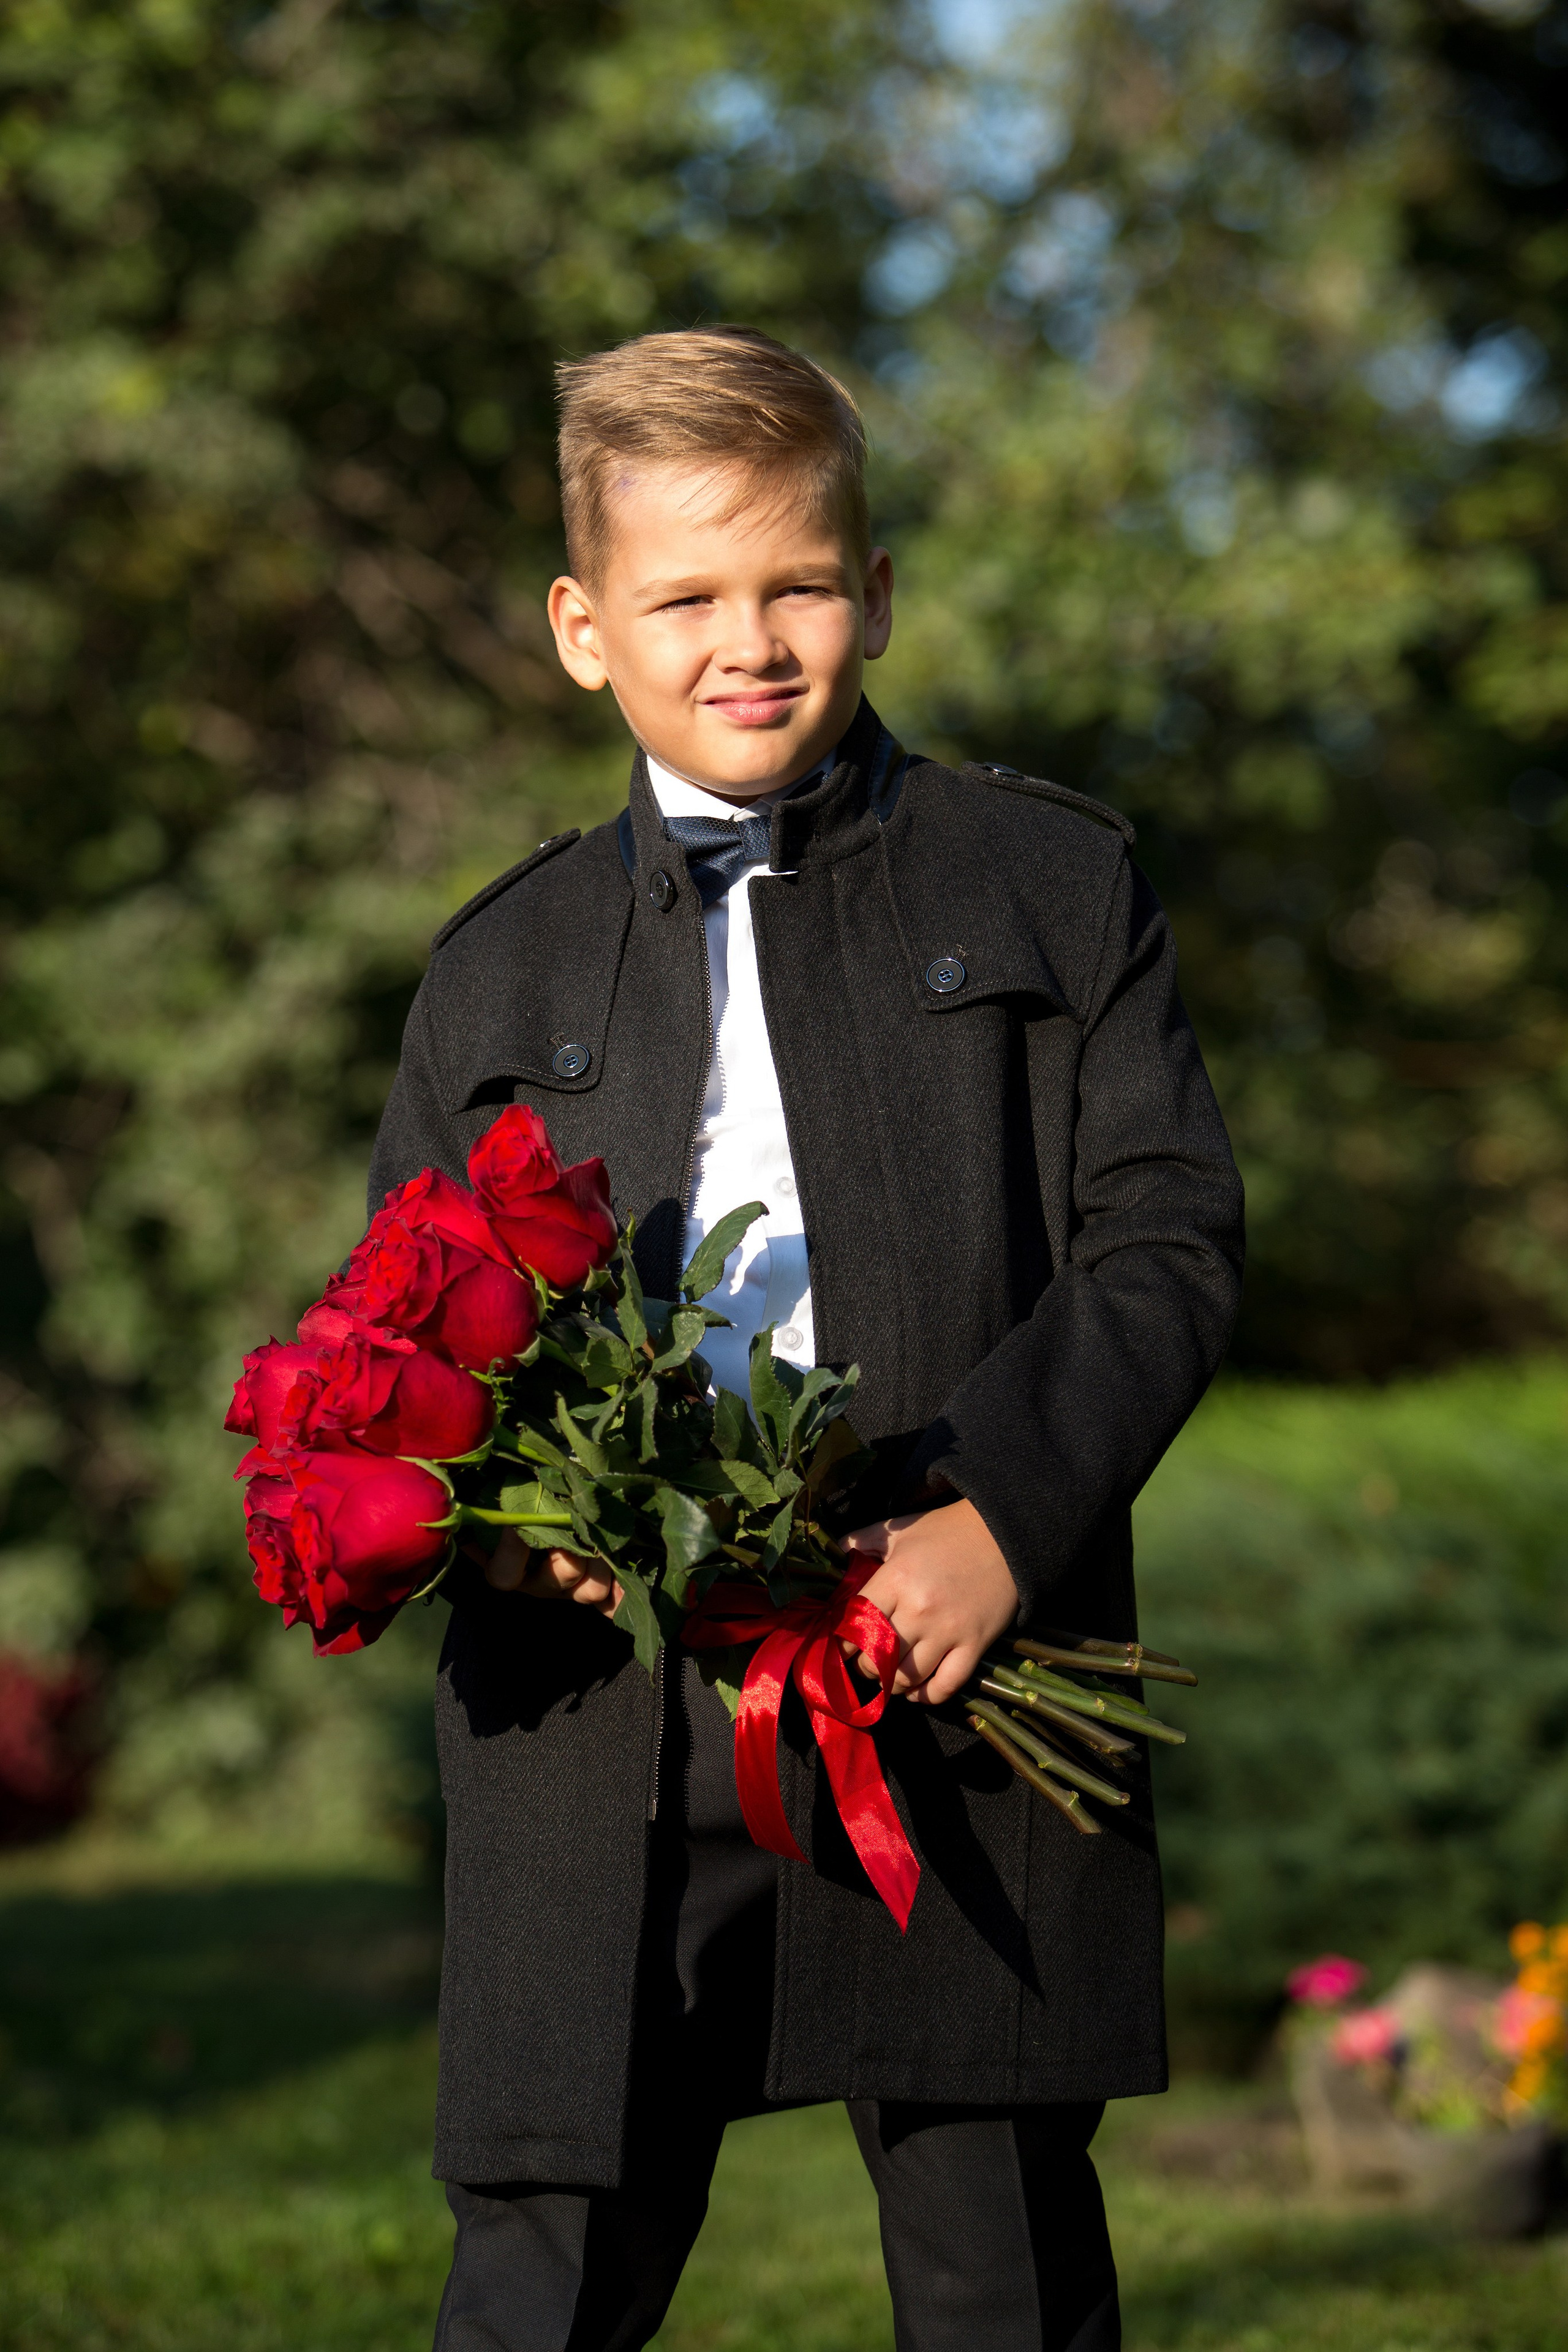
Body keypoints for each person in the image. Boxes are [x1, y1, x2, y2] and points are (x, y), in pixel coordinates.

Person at [368, 326, 1245, 2352]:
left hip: (947, 1646)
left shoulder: (1053, 883)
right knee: (541, 2263)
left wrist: (1001, 1522)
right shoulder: (493, 965)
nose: (749, 640)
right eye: (686, 596)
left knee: (994, 2245)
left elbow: (1168, 1235)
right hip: (594, 1698)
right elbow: (407, 1329)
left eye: (799, 582)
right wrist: (506, 1523)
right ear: (587, 630)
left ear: (875, 588)